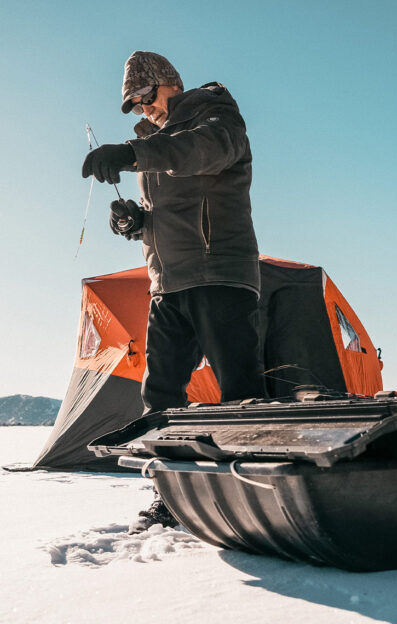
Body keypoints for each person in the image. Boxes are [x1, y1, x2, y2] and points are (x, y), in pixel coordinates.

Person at [82, 51, 265, 532]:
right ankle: (173, 496)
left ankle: (255, 497)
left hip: (220, 273)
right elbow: (169, 213)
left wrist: (133, 153)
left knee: (240, 392)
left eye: (145, 98)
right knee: (161, 394)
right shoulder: (157, 142)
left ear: (169, 84)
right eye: (136, 106)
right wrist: (137, 223)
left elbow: (204, 151)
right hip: (169, 281)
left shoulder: (215, 114)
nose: (145, 110)